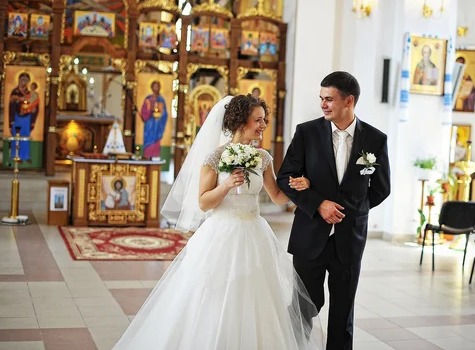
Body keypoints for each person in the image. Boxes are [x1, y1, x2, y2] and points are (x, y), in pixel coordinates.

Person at [113, 95, 323, 349]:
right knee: (214, 295)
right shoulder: (214, 157)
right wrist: (226, 185)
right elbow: (203, 203)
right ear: (240, 121)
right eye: (258, 120)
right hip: (221, 234)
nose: (263, 125)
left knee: (256, 296)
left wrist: (299, 186)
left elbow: (278, 197)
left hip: (255, 233)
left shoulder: (263, 157)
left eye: (265, 120)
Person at [277, 71, 391, 349]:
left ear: (348, 101)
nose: (323, 104)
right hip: (309, 235)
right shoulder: (307, 132)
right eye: (321, 98)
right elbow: (285, 177)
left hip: (349, 239)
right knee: (304, 306)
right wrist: (319, 205)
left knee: (342, 313)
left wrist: (349, 213)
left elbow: (381, 188)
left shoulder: (375, 139)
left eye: (329, 99)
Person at [140, 81, 168, 158]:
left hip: (158, 125)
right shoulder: (148, 99)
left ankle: (155, 162)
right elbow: (143, 112)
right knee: (148, 142)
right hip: (149, 125)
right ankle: (147, 158)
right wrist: (150, 110)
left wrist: (160, 114)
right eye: (154, 86)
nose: (156, 88)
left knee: (156, 143)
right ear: (151, 87)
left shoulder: (161, 100)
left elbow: (165, 114)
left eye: (157, 86)